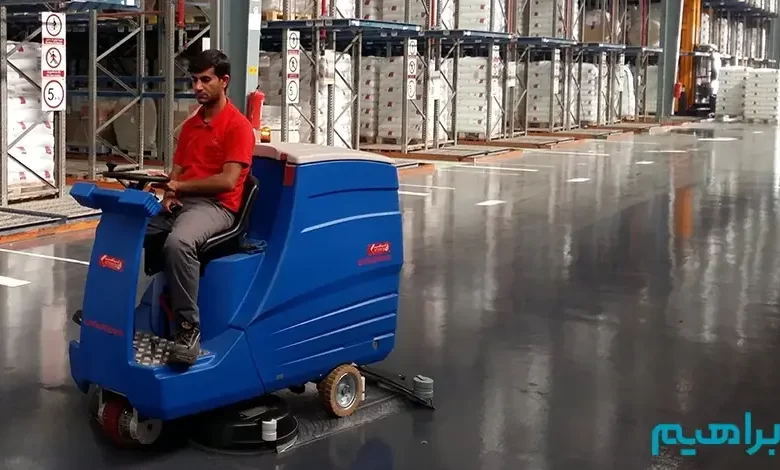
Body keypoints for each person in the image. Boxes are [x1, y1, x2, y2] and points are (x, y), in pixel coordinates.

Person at [148, 49, 255, 366]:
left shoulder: (237, 126)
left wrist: (179, 187)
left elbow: (227, 181)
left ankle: (187, 330)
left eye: (205, 80)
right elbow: (177, 170)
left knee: (179, 243)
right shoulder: (191, 125)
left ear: (224, 81)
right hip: (186, 201)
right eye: (194, 80)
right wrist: (169, 195)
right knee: (130, 228)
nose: (197, 87)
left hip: (217, 206)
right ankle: (123, 314)